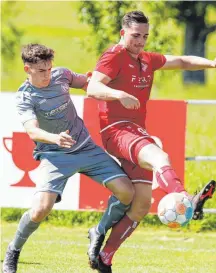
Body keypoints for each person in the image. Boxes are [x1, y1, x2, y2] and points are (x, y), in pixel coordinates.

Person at [87, 10, 216, 273]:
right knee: (160, 157)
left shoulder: (145, 59)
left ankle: (104, 257)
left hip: (136, 130)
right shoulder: (114, 55)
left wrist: (211, 64)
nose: (140, 41)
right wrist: (119, 94)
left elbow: (183, 61)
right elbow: (94, 87)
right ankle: (187, 199)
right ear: (122, 33)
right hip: (117, 131)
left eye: (145, 36)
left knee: (141, 204)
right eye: (135, 36)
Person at [2, 43, 137, 273]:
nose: (47, 75)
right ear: (28, 69)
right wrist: (55, 139)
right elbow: (33, 131)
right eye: (41, 71)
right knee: (40, 210)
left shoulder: (61, 75)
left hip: (86, 148)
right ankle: (13, 251)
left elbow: (88, 84)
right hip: (55, 155)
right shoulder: (25, 97)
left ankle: (99, 231)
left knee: (127, 192)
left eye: (49, 68)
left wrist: (113, 91)